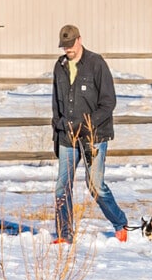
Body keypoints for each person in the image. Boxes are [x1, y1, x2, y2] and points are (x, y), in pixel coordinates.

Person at [51, 24, 128, 244]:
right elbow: (56, 103)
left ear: (79, 40)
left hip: (93, 137)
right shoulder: (60, 66)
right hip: (67, 136)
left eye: (70, 44)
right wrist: (58, 127)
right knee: (62, 187)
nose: (68, 49)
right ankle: (64, 234)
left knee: (95, 185)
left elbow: (108, 102)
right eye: (64, 46)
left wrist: (87, 126)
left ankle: (120, 223)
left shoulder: (96, 63)